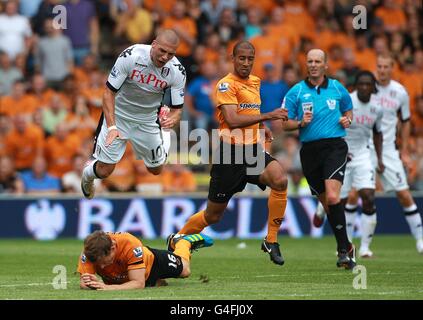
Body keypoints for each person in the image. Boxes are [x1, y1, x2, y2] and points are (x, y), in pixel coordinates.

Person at [167, 41, 289, 266]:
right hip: (229, 155)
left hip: (252, 151)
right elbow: (232, 120)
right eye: (241, 58)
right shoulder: (225, 85)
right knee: (213, 216)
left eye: (250, 59)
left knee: (280, 179)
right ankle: (178, 238)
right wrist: (268, 117)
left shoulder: (255, 82)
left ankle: (271, 240)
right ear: (233, 59)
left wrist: (262, 128)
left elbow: (251, 110)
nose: (246, 63)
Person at [81, 29, 186, 199]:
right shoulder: (131, 56)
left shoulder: (177, 71)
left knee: (156, 170)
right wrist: (112, 126)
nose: (165, 57)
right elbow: (108, 93)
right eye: (162, 51)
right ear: (153, 45)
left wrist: (172, 119)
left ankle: (164, 133)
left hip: (147, 121)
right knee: (104, 170)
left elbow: (177, 109)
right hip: (119, 116)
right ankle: (87, 177)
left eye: (171, 54)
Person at [281, 48, 356, 270]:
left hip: (334, 147)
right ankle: (346, 246)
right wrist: (301, 123)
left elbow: (349, 111)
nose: (313, 64)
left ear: (325, 65)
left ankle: (343, 250)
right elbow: (285, 124)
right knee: (327, 203)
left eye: (317, 61)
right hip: (310, 151)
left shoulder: (337, 88)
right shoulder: (296, 91)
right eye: (310, 61)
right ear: (306, 64)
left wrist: (347, 121)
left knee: (333, 198)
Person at [343, 54, 423, 254]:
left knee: (404, 194)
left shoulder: (400, 92)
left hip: (387, 149)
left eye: (386, 66)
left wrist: (403, 150)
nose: (382, 70)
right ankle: (349, 245)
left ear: (392, 67)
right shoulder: (366, 87)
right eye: (379, 66)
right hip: (362, 148)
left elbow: (405, 121)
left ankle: (420, 239)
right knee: (354, 195)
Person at [313, 71, 384, 258]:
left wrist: (380, 158)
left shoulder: (377, 108)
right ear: (356, 85)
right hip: (341, 154)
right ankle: (324, 211)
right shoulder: (346, 101)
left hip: (362, 155)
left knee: (368, 196)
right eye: (361, 83)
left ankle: (365, 248)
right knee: (338, 203)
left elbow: (378, 133)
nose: (364, 87)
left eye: (368, 84)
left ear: (373, 87)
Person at [77, 230, 213, 290]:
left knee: (185, 271)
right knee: (160, 285)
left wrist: (106, 287)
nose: (101, 266)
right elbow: (84, 282)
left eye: (104, 261)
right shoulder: (90, 251)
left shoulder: (130, 244)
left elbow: (138, 283)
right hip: (123, 277)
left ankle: (182, 242)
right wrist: (92, 284)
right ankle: (156, 282)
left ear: (113, 248)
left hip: (152, 263)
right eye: (97, 263)